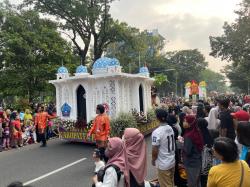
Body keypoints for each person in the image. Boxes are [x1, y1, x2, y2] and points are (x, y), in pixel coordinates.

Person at [152, 108, 175, 187]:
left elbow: (155, 150)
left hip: (163, 164)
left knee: (166, 185)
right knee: (171, 183)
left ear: (157, 118)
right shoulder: (170, 128)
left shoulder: (157, 132)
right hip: (171, 160)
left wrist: (153, 160)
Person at [183, 115, 204, 187]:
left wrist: (183, 145)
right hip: (197, 161)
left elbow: (187, 151)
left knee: (192, 183)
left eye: (185, 121)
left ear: (190, 123)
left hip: (191, 163)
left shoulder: (188, 135)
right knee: (197, 181)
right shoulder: (196, 131)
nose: (184, 122)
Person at [197, 118, 213, 187]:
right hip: (209, 160)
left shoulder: (199, 134)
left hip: (201, 160)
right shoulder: (208, 133)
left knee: (202, 177)